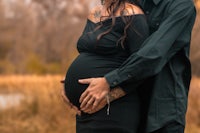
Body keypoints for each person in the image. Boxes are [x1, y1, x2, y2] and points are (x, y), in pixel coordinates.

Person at [76, 0, 197, 133]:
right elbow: (110, 49)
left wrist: (108, 82)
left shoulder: (182, 7)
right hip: (132, 101)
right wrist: (74, 85)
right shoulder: (135, 3)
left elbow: (153, 54)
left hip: (162, 109)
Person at [62, 0, 149, 133]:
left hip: (113, 110)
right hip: (85, 112)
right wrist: (67, 83)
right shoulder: (95, 13)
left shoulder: (133, 14)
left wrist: (108, 97)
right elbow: (88, 52)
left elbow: (141, 67)